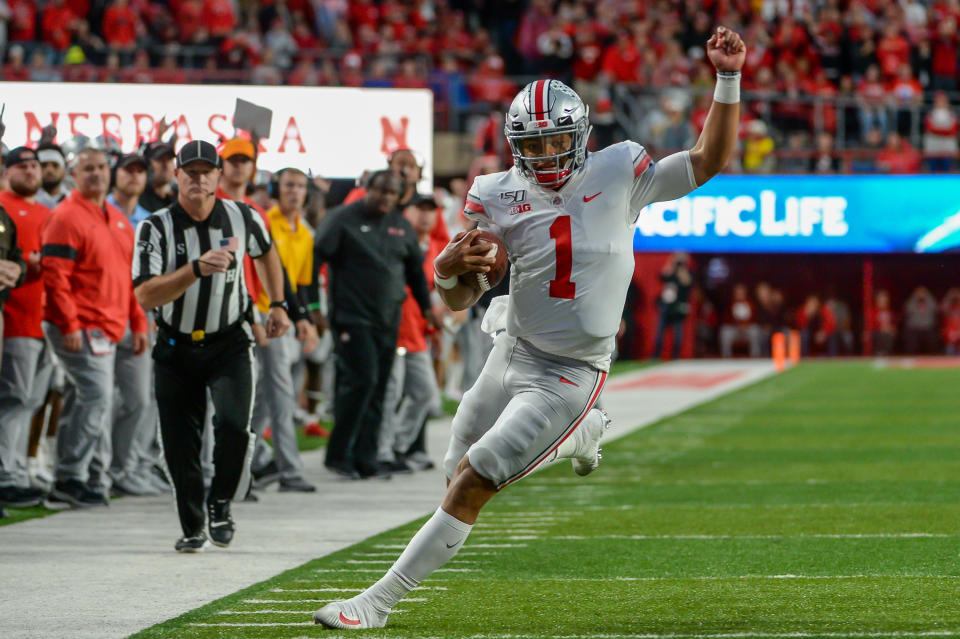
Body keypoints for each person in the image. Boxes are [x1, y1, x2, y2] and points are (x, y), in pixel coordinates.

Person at [312, 25, 745, 629]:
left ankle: (377, 603)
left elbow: (708, 160)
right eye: (532, 145)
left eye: (554, 142)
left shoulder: (620, 170)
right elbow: (465, 296)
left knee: (474, 479)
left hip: (571, 370)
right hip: (512, 345)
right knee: (455, 464)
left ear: (581, 136)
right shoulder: (495, 192)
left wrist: (727, 78)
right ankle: (580, 431)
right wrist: (444, 271)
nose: (543, 157)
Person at [132, 140, 291, 553]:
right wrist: (196, 269)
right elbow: (146, 296)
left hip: (229, 342)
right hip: (174, 345)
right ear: (176, 175)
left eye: (207, 171)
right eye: (190, 171)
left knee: (236, 426)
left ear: (219, 177)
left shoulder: (243, 216)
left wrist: (276, 303)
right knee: (180, 441)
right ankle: (191, 524)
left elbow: (267, 254)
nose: (199, 178)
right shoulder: (153, 227)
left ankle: (221, 501)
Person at [314, 170, 439, 480]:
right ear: (367, 189)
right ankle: (339, 454)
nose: (385, 197)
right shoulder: (342, 218)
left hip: (388, 319)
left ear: (399, 197)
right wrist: (313, 307)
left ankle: (366, 458)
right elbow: (314, 260)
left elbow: (414, 273)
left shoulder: (400, 225)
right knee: (362, 382)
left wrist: (427, 309)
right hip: (351, 318)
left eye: (392, 193)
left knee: (380, 388)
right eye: (380, 190)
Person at [41, 147, 148, 508]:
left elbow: (130, 279)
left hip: (113, 324)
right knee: (97, 397)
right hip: (81, 325)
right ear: (74, 173)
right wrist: (69, 323)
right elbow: (55, 278)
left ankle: (90, 476)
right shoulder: (66, 216)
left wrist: (138, 322)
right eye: (88, 168)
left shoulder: (117, 219)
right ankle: (70, 477)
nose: (97, 174)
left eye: (102, 167)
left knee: (93, 399)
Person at [249, 167, 319, 493]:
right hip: (261, 313)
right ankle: (289, 471)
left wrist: (306, 318)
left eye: (301, 186)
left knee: (266, 394)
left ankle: (244, 460)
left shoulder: (305, 233)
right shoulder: (264, 222)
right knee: (280, 393)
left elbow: (300, 285)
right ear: (276, 188)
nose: (295, 191)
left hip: (284, 317)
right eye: (289, 185)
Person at [106, 151, 163, 496]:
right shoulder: (101, 212)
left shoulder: (149, 220)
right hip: (99, 314)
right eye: (128, 170)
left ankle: (128, 466)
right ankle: (98, 469)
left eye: (141, 172)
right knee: (98, 397)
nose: (135, 176)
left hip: (137, 315)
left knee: (141, 398)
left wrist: (148, 316)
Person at [377, 194, 446, 474]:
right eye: (420, 209)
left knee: (424, 393)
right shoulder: (393, 241)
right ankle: (382, 452)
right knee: (390, 393)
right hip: (393, 327)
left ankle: (397, 445)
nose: (425, 216)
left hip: (418, 331)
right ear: (407, 213)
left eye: (431, 210)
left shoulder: (441, 246)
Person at [0, 147, 46, 508]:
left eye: (35, 165)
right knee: (14, 400)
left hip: (44, 321)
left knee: (29, 401)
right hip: (15, 316)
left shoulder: (47, 212)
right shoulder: (4, 205)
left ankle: (16, 469)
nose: (30, 171)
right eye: (22, 165)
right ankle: (7, 475)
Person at [652, 251, 692, 360]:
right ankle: (656, 355)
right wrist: (672, 262)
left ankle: (675, 355)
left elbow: (687, 282)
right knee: (659, 333)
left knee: (677, 334)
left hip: (678, 308)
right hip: (666, 306)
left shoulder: (685, 272)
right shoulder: (670, 271)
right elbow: (662, 276)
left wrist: (682, 267)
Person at [138, 141, 177, 213]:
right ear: (147, 165)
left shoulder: (177, 198)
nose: (166, 165)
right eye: (160, 159)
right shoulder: (137, 199)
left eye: (169, 159)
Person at [34, 144, 69, 210]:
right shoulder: (24, 202)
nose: (49, 170)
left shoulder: (76, 202)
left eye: (55, 165)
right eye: (43, 165)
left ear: (64, 172)